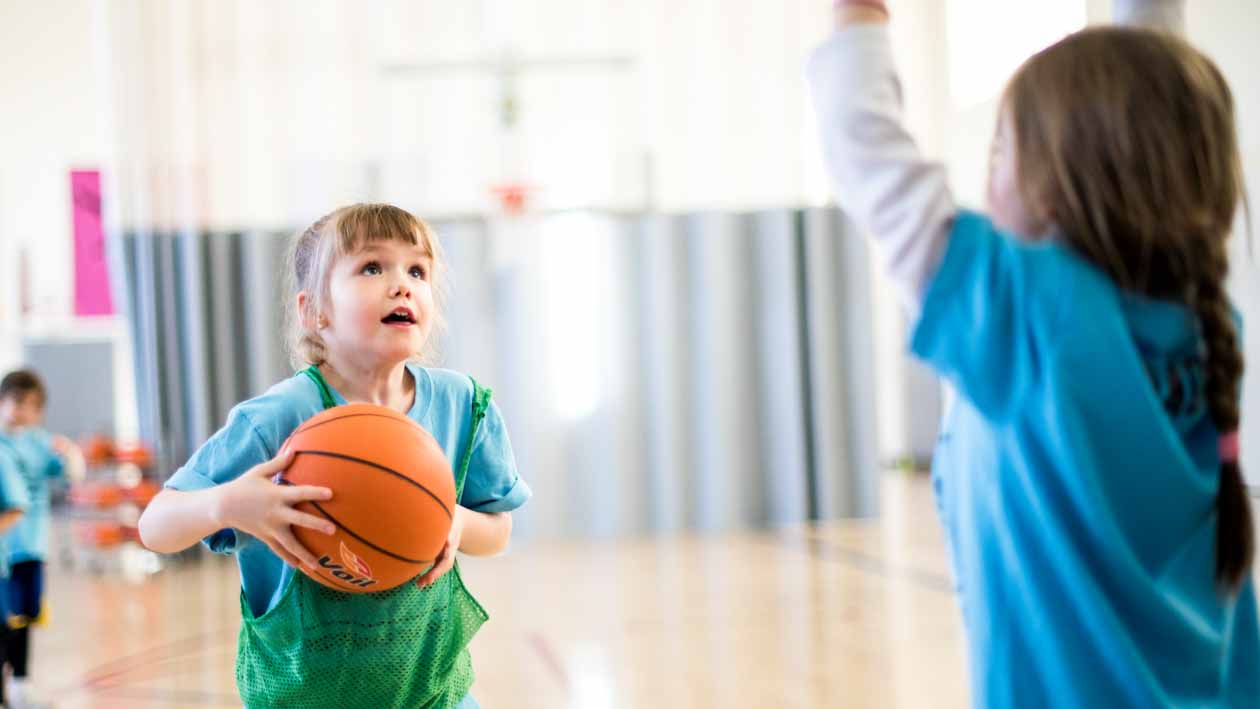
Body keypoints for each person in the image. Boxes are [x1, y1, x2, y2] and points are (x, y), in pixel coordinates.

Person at [809, 0, 1257, 704]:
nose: (985, 182)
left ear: (1062, 182)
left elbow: (867, 152)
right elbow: (1151, 103)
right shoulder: (1202, 310)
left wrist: (855, 15)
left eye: (998, 152)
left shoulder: (1031, 316)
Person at [138, 203, 531, 708]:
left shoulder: (463, 405)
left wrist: (453, 521)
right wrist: (227, 505)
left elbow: (498, 530)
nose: (401, 284)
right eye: (372, 267)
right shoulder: (279, 417)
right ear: (314, 312)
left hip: (433, 694)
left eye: (417, 270)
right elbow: (155, 526)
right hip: (306, 694)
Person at [0, 370, 80, 709]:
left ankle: (19, 684)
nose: (23, 412)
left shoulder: (40, 443)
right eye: (17, 403)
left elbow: (71, 475)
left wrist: (71, 452)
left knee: (25, 617)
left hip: (31, 543)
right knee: (5, 619)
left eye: (32, 406)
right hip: (5, 547)